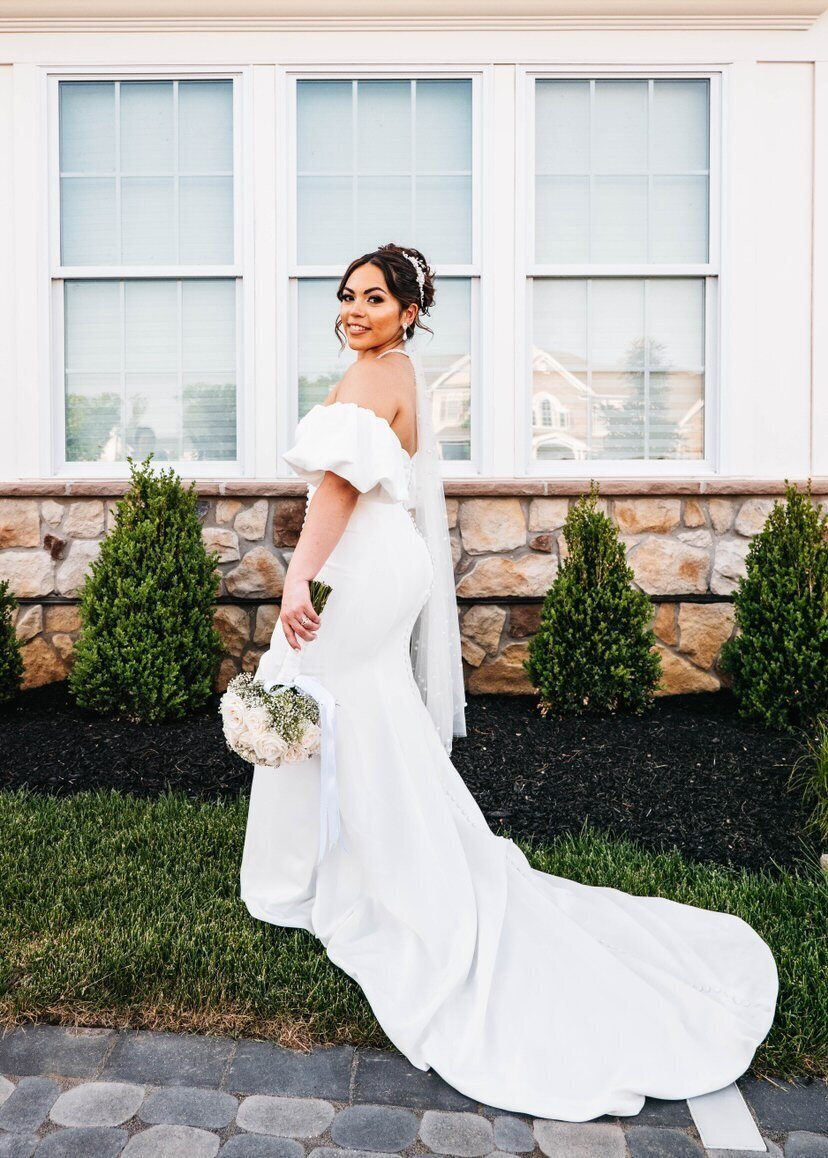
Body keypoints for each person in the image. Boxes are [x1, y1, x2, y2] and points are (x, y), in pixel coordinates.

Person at [239, 242, 779, 1122]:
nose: (354, 309)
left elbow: (337, 487)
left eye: (373, 298)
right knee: (359, 711)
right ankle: (359, 862)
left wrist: (299, 578)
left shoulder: (377, 376)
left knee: (329, 704)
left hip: (359, 563)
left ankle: (344, 876)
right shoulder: (396, 371)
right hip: (387, 563)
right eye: (345, 296)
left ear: (409, 310)